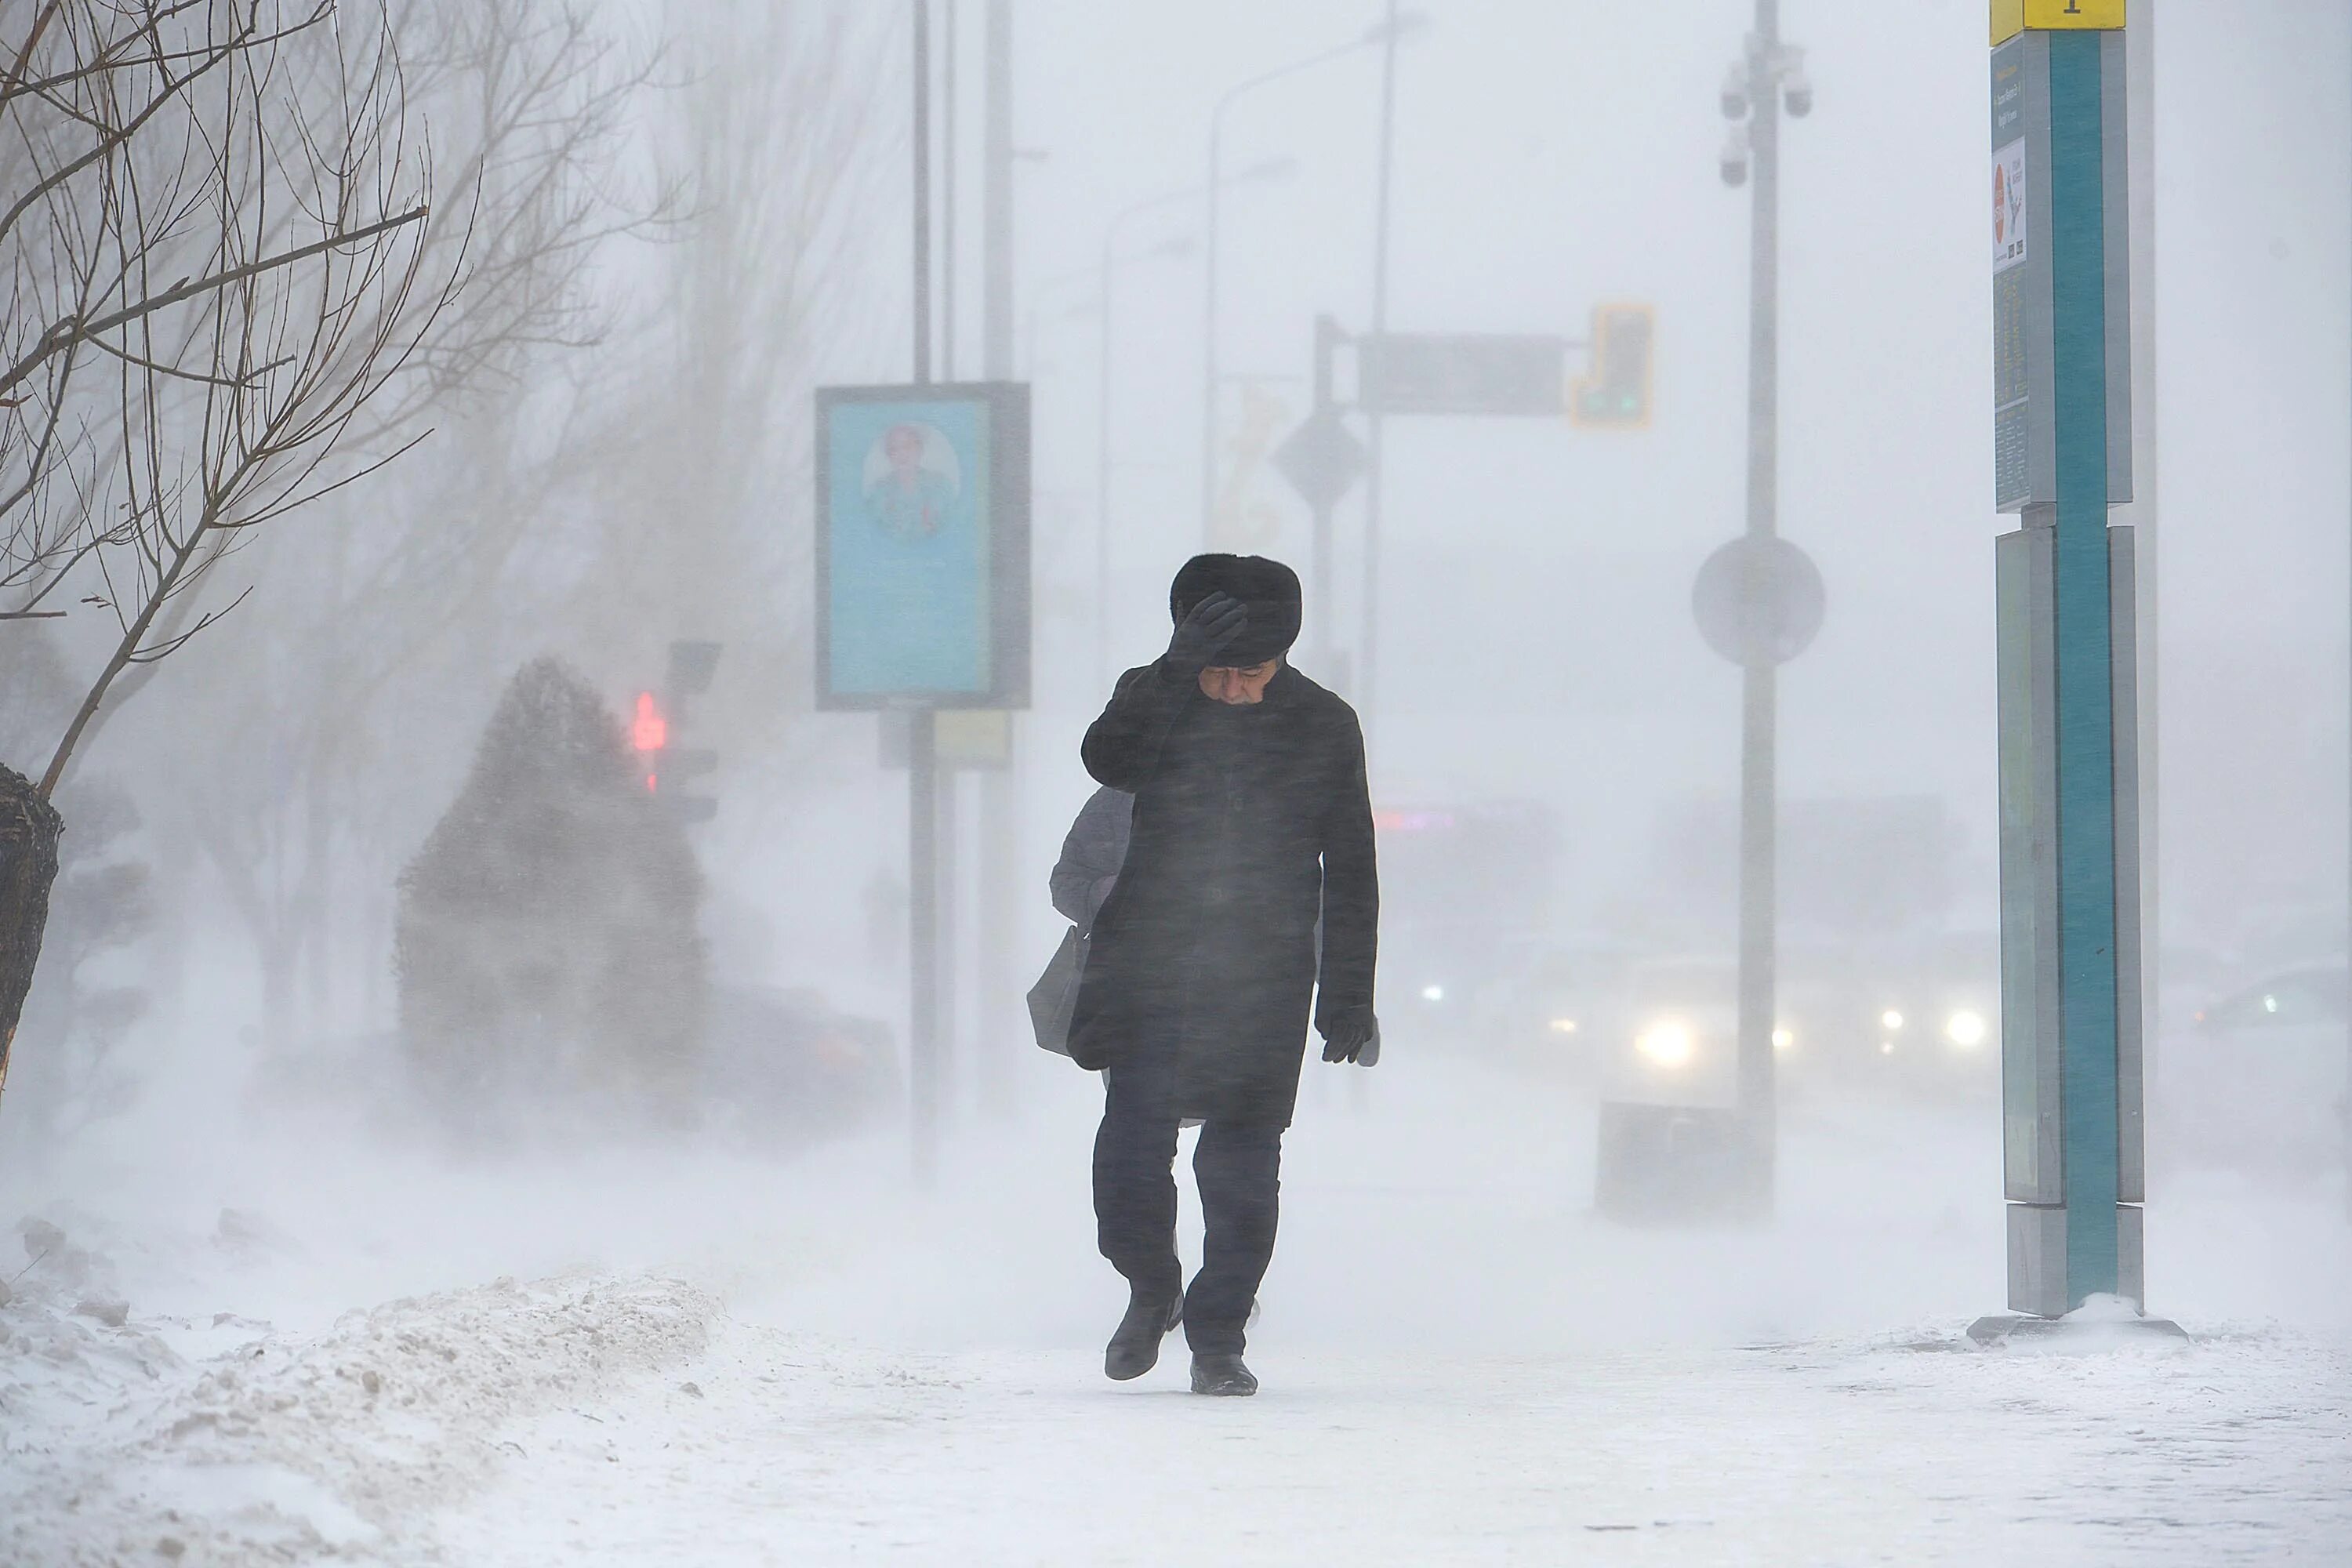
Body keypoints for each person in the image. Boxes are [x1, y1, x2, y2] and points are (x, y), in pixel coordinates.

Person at [1069, 554, 1379, 1397]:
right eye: (1220, 670)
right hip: (1150, 964)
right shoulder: (1159, 694)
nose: (1236, 687)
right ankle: (1150, 1284)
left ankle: (1218, 1335)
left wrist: (1349, 996)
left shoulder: (1322, 723)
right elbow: (1108, 760)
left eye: (1253, 672)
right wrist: (1174, 672)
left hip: (1265, 972)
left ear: (1283, 659)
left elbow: (1350, 864)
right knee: (1131, 1152)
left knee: (1241, 1169)